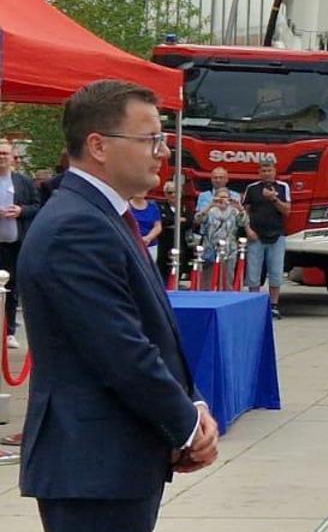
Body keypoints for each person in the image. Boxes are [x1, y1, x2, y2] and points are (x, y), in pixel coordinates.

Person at [16, 80, 218, 531]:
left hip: (115, 463)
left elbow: (150, 330)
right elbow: (121, 350)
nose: (162, 152)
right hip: (92, 466)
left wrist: (194, 406)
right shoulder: (76, 227)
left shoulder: (101, 217)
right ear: (98, 146)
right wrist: (185, 425)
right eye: (150, 139)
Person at [0, 142, 43, 349]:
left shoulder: (23, 182)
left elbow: (37, 206)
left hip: (15, 243)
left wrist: (20, 211)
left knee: (12, 287)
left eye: (5, 153)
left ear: (12, 157)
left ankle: (9, 332)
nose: (2, 157)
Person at [242, 160, 291, 317]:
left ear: (274, 171)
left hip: (277, 235)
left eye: (269, 170)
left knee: (276, 271)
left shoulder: (283, 187)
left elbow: (287, 211)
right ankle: (254, 302)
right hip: (256, 236)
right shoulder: (252, 188)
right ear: (259, 172)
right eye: (263, 170)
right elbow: (244, 212)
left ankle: (274, 305)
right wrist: (248, 230)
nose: (266, 173)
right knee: (253, 271)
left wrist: (274, 199)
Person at [197, 189, 248, 283]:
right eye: (220, 197)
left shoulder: (234, 212)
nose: (223, 200)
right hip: (211, 249)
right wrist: (210, 206)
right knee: (208, 281)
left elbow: (244, 223)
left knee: (227, 279)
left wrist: (240, 207)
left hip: (229, 250)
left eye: (225, 197)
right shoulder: (210, 211)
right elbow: (198, 220)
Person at [129, 191, 162, 261]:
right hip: (132, 244)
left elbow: (158, 226)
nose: (140, 191)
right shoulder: (126, 206)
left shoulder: (153, 206)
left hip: (150, 245)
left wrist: (148, 238)